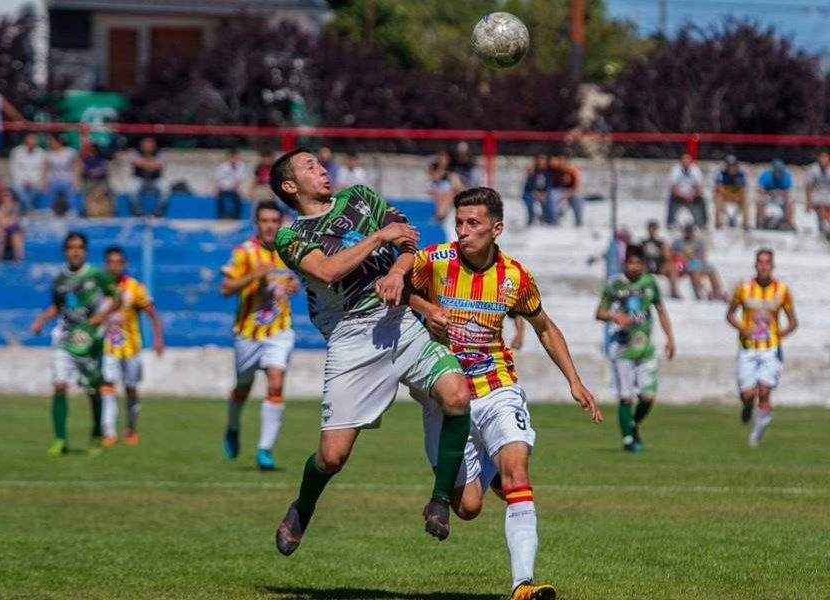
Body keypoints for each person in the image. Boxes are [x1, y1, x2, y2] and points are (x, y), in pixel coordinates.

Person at [269, 148, 471, 556]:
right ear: (290, 187)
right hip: (352, 339)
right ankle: (303, 507)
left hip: (400, 323)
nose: (321, 169)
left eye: (320, 163)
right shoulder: (290, 237)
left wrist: (397, 272)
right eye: (309, 166)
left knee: (457, 396)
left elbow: (409, 241)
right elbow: (327, 271)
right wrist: (379, 237)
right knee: (332, 458)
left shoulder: (360, 196)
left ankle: (440, 501)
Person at [408, 187, 602, 600]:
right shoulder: (434, 261)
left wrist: (574, 380)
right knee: (469, 508)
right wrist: (428, 310)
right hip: (447, 393)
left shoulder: (515, 276)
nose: (463, 231)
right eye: (459, 223)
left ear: (497, 228)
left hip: (498, 385)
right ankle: (486, 476)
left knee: (520, 475)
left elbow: (544, 327)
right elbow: (396, 289)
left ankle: (522, 586)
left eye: (473, 224)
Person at [220, 200, 299, 470]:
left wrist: (293, 285)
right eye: (265, 221)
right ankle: (232, 427)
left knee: (276, 382)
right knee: (242, 388)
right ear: (257, 224)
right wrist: (254, 274)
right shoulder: (244, 252)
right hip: (247, 333)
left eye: (274, 221)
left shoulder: (288, 252)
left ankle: (265, 450)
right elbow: (226, 287)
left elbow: (296, 281)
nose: (270, 226)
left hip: (279, 330)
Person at [30, 232, 121, 457]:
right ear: (65, 251)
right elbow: (57, 306)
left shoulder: (97, 275)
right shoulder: (59, 279)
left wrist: (102, 316)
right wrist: (41, 319)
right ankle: (60, 439)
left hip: (90, 340)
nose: (75, 251)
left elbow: (118, 298)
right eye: (71, 247)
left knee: (93, 391)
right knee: (60, 385)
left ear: (85, 251)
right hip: (64, 337)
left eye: (79, 247)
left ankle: (96, 433)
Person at [596, 245, 675, 452]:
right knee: (626, 396)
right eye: (630, 262)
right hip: (622, 348)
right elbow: (600, 312)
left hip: (645, 348)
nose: (633, 267)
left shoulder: (650, 284)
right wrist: (615, 316)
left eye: (637, 263)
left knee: (648, 397)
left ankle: (631, 425)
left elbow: (660, 310)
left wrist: (670, 338)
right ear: (624, 263)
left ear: (644, 264)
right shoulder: (615, 284)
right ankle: (628, 440)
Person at [726, 249, 797, 447]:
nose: (764, 266)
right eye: (760, 262)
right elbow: (730, 314)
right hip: (748, 348)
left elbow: (793, 321)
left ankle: (755, 436)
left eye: (767, 262)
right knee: (748, 394)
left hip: (771, 349)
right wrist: (743, 328)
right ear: (755, 265)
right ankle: (747, 404)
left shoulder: (782, 290)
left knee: (765, 390)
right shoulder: (743, 288)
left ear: (772, 265)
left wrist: (781, 333)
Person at [100, 246, 164, 446]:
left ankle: (131, 427)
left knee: (131, 389)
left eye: (118, 262)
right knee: (108, 386)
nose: (114, 267)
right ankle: (109, 431)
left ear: (124, 264)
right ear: (106, 264)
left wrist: (158, 338)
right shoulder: (99, 288)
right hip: (107, 348)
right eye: (111, 262)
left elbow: (152, 313)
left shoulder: (135, 288)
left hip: (132, 348)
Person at [671, 224, 727, 301]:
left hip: (697, 262)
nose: (689, 233)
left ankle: (718, 290)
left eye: (691, 231)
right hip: (684, 264)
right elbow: (674, 254)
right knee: (695, 271)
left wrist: (700, 262)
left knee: (712, 269)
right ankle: (705, 291)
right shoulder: (678, 242)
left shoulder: (699, 242)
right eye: (688, 231)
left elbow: (703, 255)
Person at [640, 220, 680, 298]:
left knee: (671, 266)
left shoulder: (661, 242)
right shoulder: (643, 242)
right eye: (650, 229)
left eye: (653, 229)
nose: (652, 231)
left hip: (659, 266)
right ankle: (642, 289)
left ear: (656, 230)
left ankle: (674, 289)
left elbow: (668, 258)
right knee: (641, 265)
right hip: (647, 266)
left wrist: (665, 251)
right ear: (648, 230)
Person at [128, 137, 168, 217]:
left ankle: (158, 213)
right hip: (139, 179)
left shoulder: (160, 153)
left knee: (165, 189)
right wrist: (152, 163)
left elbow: (161, 165)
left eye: (150, 145)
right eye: (146, 145)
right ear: (142, 145)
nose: (148, 147)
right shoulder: (135, 152)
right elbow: (136, 162)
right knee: (132, 188)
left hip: (155, 179)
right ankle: (137, 212)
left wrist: (144, 163)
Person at [43, 135, 81, 216]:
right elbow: (45, 169)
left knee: (69, 186)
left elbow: (77, 166)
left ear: (58, 142)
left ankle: (72, 210)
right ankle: (50, 210)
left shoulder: (69, 152)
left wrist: (76, 181)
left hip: (67, 178)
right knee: (51, 185)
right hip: (53, 179)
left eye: (52, 142)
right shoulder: (49, 154)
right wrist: (44, 182)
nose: (50, 144)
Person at [666, 153, 707, 228]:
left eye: (687, 160)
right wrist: (683, 195)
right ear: (681, 161)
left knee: (702, 200)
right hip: (679, 196)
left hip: (692, 197)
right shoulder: (675, 169)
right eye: (684, 160)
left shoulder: (696, 170)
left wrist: (693, 195)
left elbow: (699, 188)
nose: (686, 162)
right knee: (671, 198)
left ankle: (703, 223)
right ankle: (670, 223)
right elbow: (672, 187)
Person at [10, 133, 46, 212]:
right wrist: (24, 180)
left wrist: (31, 181)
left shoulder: (41, 153)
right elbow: (14, 169)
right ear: (25, 142)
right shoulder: (17, 151)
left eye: (33, 143)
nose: (31, 145)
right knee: (17, 186)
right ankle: (30, 209)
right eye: (29, 143)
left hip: (35, 180)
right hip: (20, 179)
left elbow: (41, 170)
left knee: (37, 186)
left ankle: (24, 209)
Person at [545, 155, 584, 227]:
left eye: (564, 161)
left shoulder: (573, 170)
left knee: (578, 198)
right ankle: (554, 221)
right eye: (560, 161)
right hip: (557, 191)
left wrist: (566, 195)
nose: (562, 164)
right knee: (552, 196)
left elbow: (576, 188)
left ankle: (579, 222)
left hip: (570, 192)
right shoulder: (554, 169)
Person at [756, 159, 794, 231]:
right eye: (776, 171)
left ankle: (789, 223)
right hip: (768, 196)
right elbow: (760, 190)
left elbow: (787, 192)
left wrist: (779, 194)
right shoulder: (766, 176)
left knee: (790, 201)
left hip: (780, 197)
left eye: (780, 171)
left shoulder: (786, 176)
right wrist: (771, 193)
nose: (778, 173)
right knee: (760, 200)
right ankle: (760, 222)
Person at [714, 155, 749, 230]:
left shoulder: (741, 174)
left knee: (745, 199)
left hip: (737, 196)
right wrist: (730, 195)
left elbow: (742, 189)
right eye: (730, 166)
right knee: (718, 197)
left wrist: (736, 196)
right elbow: (720, 188)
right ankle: (718, 222)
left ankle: (745, 223)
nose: (732, 167)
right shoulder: (721, 174)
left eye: (733, 165)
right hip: (725, 195)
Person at [81, 143, 114, 218]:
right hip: (91, 181)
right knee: (85, 190)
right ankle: (84, 210)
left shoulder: (102, 159)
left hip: (102, 181)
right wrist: (94, 172)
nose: (93, 151)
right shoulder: (86, 160)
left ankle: (112, 210)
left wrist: (100, 171)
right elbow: (85, 171)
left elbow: (105, 169)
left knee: (111, 189)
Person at [215, 148, 248, 219]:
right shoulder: (222, 166)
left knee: (237, 200)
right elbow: (218, 179)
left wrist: (238, 190)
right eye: (232, 157)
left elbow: (239, 180)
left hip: (235, 189)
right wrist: (217, 190)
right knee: (221, 201)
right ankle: (222, 217)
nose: (234, 159)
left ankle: (236, 217)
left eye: (235, 157)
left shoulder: (241, 166)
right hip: (224, 188)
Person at [0, 189, 24, 262]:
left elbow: (16, 221)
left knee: (16, 237)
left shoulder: (16, 207)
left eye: (7, 195)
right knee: (1, 235)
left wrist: (5, 221)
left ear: (11, 197)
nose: (5, 197)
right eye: (4, 195)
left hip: (14, 230)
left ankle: (19, 262)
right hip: (2, 230)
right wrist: (7, 219)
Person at [805, 150, 830, 236]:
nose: (824, 159)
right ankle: (825, 226)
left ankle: (826, 225)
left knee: (827, 205)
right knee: (822, 206)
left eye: (825, 157)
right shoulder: (813, 169)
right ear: (818, 158)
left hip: (827, 194)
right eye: (822, 157)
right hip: (817, 194)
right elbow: (808, 186)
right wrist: (808, 202)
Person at [522, 154, 549, 226]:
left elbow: (549, 184)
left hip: (544, 193)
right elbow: (528, 185)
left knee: (549, 199)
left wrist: (543, 194)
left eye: (543, 160)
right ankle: (531, 218)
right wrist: (535, 193)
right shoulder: (533, 171)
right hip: (532, 192)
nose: (541, 162)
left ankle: (545, 219)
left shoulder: (548, 172)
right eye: (540, 159)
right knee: (528, 198)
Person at [429, 150, 454, 222]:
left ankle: (442, 214)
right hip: (436, 186)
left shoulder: (452, 167)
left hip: (446, 188)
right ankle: (440, 214)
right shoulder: (435, 166)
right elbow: (436, 178)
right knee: (440, 193)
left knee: (448, 193)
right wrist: (441, 166)